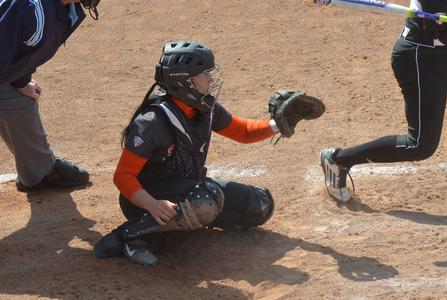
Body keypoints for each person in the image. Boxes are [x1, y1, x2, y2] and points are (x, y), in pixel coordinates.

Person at [94, 40, 325, 266]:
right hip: (145, 200)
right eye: (204, 75)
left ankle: (182, 221)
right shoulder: (152, 123)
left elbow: (242, 131)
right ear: (185, 82)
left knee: (261, 205)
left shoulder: (203, 108)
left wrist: (277, 123)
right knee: (207, 199)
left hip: (187, 190)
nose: (211, 80)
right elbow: (123, 176)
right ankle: (128, 235)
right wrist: (153, 204)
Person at [320, 0, 447, 202]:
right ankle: (339, 160)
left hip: (444, 52)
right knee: (420, 145)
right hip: (422, 58)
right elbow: (440, 29)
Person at [0, 0, 101, 192]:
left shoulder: (64, 11)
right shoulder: (30, 10)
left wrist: (20, 81)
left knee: (19, 101)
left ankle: (40, 170)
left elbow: (20, 50)